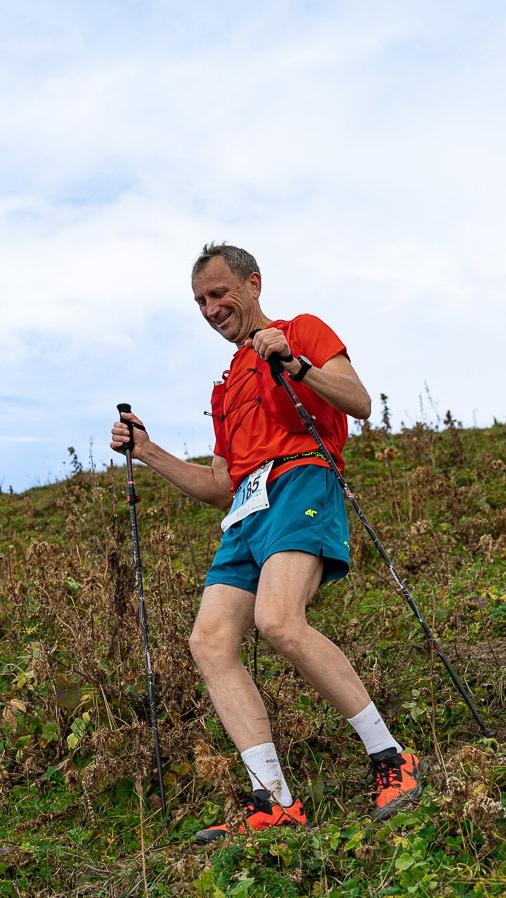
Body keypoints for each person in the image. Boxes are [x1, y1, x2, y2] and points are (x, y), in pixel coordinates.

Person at [110, 242, 421, 843]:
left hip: (303, 478)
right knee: (210, 641)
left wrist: (298, 364)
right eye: (200, 300)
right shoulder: (224, 386)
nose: (211, 308)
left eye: (220, 293)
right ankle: (275, 799)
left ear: (254, 284)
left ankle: (392, 759)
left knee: (279, 621)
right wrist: (146, 451)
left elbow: (359, 402)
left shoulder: (300, 329)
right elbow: (218, 484)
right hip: (246, 512)